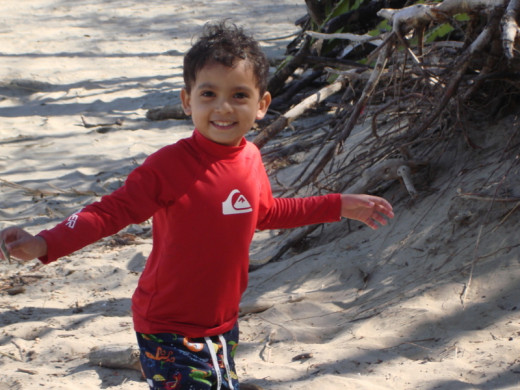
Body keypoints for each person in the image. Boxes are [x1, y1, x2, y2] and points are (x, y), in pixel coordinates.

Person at [0, 21, 393, 390]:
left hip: (222, 322)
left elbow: (265, 214)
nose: (223, 108)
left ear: (262, 104)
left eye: (239, 95)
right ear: (187, 101)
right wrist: (44, 243)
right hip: (166, 325)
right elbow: (109, 212)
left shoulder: (251, 158)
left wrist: (338, 205)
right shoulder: (168, 166)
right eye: (209, 94)